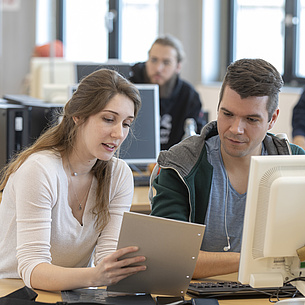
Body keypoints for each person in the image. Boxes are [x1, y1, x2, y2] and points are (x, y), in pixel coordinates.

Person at [149, 58, 305, 279]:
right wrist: (256, 260)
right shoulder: (181, 164)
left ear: (272, 119)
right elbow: (172, 258)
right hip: (198, 297)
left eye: (251, 119)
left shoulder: (295, 163)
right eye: (227, 114)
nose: (236, 129)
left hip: (274, 294)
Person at [0, 69, 147, 291]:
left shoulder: (119, 175)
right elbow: (33, 268)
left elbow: (106, 257)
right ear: (78, 116)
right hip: (15, 291)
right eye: (109, 119)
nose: (119, 134)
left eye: (126, 124)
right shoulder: (39, 170)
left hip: (70, 293)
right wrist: (96, 277)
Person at [129, 34, 205, 150]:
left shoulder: (189, 96)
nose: (158, 68)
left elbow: (198, 139)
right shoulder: (129, 88)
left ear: (178, 66)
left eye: (166, 62)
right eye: (154, 60)